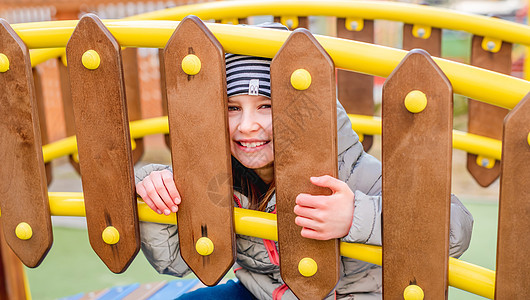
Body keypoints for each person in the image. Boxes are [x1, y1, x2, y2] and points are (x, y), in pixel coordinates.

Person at [134, 24, 473, 300]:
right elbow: (177, 263)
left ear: (303, 112)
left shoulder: (350, 173)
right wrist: (158, 191)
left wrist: (357, 216)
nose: (246, 125)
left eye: (265, 106)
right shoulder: (225, 179)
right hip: (263, 293)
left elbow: (455, 228)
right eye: (232, 107)